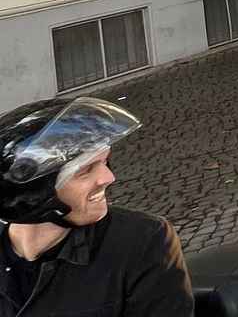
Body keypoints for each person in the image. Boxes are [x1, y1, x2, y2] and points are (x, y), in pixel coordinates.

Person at [0, 96, 192, 316]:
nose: (108, 177)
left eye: (105, 161)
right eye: (85, 170)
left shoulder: (141, 242)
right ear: (35, 192)